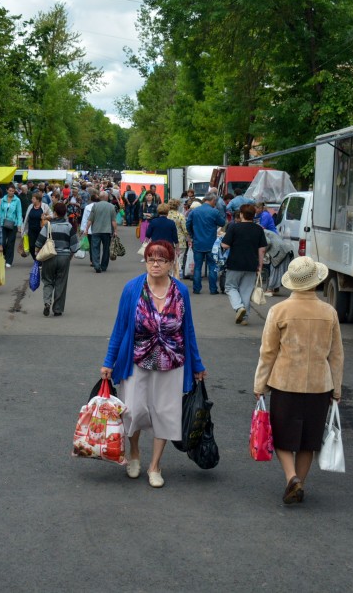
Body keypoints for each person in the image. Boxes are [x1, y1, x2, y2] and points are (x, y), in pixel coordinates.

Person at [99, 240, 207, 488]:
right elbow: (120, 328)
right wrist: (109, 361)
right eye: (151, 259)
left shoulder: (181, 291)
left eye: (161, 260)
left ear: (171, 263)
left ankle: (155, 465)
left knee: (164, 414)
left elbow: (188, 329)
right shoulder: (132, 288)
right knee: (133, 410)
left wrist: (197, 364)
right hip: (136, 360)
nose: (155, 264)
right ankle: (134, 452)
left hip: (173, 362)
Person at [254, 256, 343, 505]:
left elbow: (268, 352)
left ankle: (291, 478)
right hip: (319, 386)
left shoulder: (279, 311)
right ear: (316, 281)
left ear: (292, 283)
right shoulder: (329, 312)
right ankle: (299, 482)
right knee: (309, 440)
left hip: (285, 383)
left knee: (282, 437)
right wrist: (337, 388)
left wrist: (259, 385)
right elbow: (336, 355)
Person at [221, 204, 267, 325]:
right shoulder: (259, 229)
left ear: (241, 214)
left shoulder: (234, 228)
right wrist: (260, 265)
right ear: (254, 215)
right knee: (246, 290)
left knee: (230, 287)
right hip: (252, 264)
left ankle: (238, 307)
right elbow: (262, 249)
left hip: (235, 263)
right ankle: (244, 317)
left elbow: (225, 245)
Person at [35, 202, 80, 317]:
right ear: (65, 213)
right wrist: (69, 255)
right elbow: (74, 246)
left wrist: (37, 255)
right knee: (61, 282)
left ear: (54, 213)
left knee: (48, 281)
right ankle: (58, 309)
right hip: (64, 258)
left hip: (49, 256)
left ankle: (47, 302)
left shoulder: (48, 225)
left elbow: (39, 242)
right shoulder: (69, 227)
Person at [185, 193, 225, 294]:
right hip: (211, 243)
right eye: (215, 202)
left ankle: (196, 289)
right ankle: (213, 289)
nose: (215, 204)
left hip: (198, 242)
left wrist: (192, 235)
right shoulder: (214, 211)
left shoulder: (194, 211)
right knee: (212, 266)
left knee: (198, 266)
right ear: (212, 200)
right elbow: (222, 223)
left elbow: (188, 224)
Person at [88, 189, 118, 273]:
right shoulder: (111, 206)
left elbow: (90, 219)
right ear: (106, 197)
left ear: (100, 198)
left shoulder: (95, 206)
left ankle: (97, 265)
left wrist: (86, 229)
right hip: (107, 231)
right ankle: (104, 266)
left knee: (95, 248)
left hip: (96, 230)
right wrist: (115, 230)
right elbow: (113, 221)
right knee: (106, 249)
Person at [263, 228, 294, 296]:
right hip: (284, 250)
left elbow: (267, 242)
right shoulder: (266, 231)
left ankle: (270, 290)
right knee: (280, 270)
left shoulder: (261, 232)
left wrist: (263, 252)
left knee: (275, 269)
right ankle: (276, 288)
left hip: (279, 252)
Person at [0, 185, 23, 268]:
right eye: (10, 190)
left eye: (13, 191)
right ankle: (5, 255)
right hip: (3, 223)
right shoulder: (3, 200)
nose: (11, 192)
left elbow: (19, 213)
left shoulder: (17, 200)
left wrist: (19, 225)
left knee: (10, 243)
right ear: (7, 190)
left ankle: (9, 261)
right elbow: (0, 211)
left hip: (13, 224)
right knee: (2, 243)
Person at [167, 198, 190, 278]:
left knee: (169, 260)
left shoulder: (166, 216)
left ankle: (169, 276)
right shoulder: (180, 216)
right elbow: (185, 230)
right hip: (180, 241)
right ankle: (177, 278)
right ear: (178, 206)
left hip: (168, 240)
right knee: (179, 261)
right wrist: (189, 239)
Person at [21, 192, 46, 259]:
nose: (32, 200)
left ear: (38, 200)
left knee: (40, 245)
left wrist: (45, 217)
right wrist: (23, 229)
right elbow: (26, 218)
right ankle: (36, 259)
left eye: (33, 198)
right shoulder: (30, 206)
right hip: (31, 230)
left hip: (41, 230)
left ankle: (40, 259)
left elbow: (51, 215)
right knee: (31, 246)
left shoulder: (44, 206)